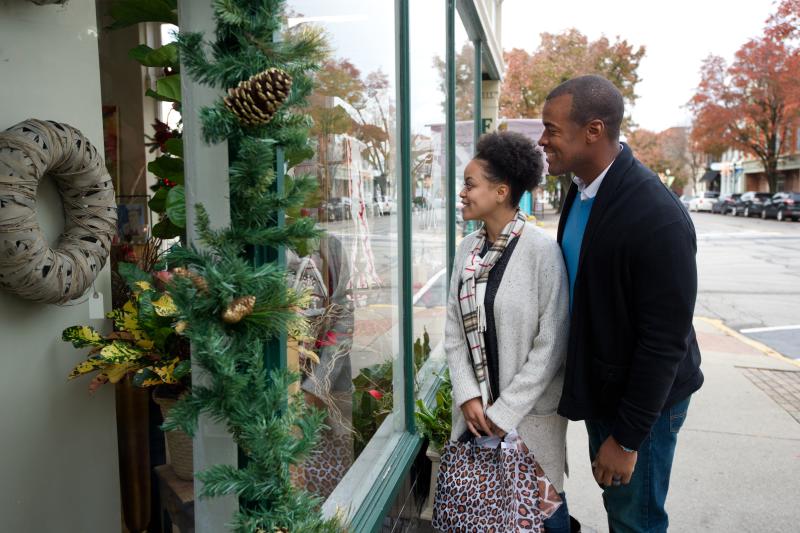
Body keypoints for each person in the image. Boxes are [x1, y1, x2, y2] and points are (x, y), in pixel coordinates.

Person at [539, 75, 704, 532]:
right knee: (621, 511)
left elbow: (664, 342)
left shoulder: (657, 217)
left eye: (551, 129)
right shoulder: (582, 189)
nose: (542, 139)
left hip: (643, 404)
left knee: (636, 521)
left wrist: (627, 438)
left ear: (593, 130)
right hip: (605, 389)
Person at [445, 130, 572, 532]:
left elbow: (552, 345)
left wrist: (504, 412)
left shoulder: (542, 251)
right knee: (481, 518)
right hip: (475, 423)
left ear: (501, 191)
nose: (462, 192)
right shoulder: (466, 250)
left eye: (470, 184)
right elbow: (453, 332)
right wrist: (468, 395)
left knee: (545, 520)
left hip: (529, 424)